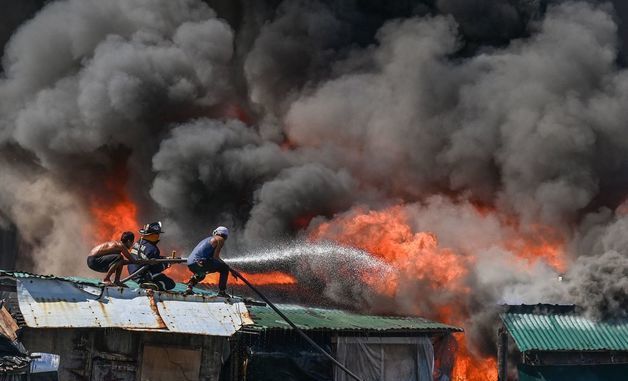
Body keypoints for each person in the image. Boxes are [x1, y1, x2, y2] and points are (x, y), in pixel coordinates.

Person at [127, 221, 176, 291]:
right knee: (170, 283)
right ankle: (153, 286)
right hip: (142, 275)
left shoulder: (139, 242)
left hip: (132, 272)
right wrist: (167, 264)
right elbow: (155, 268)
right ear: (153, 235)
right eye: (157, 234)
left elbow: (150, 258)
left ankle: (148, 282)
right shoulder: (153, 249)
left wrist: (165, 258)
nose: (158, 236)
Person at [185, 226, 231, 297]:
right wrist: (228, 267)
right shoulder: (220, 239)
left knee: (202, 274)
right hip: (200, 263)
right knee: (224, 268)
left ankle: (189, 287)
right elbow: (216, 257)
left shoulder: (207, 239)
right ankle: (222, 292)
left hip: (190, 263)